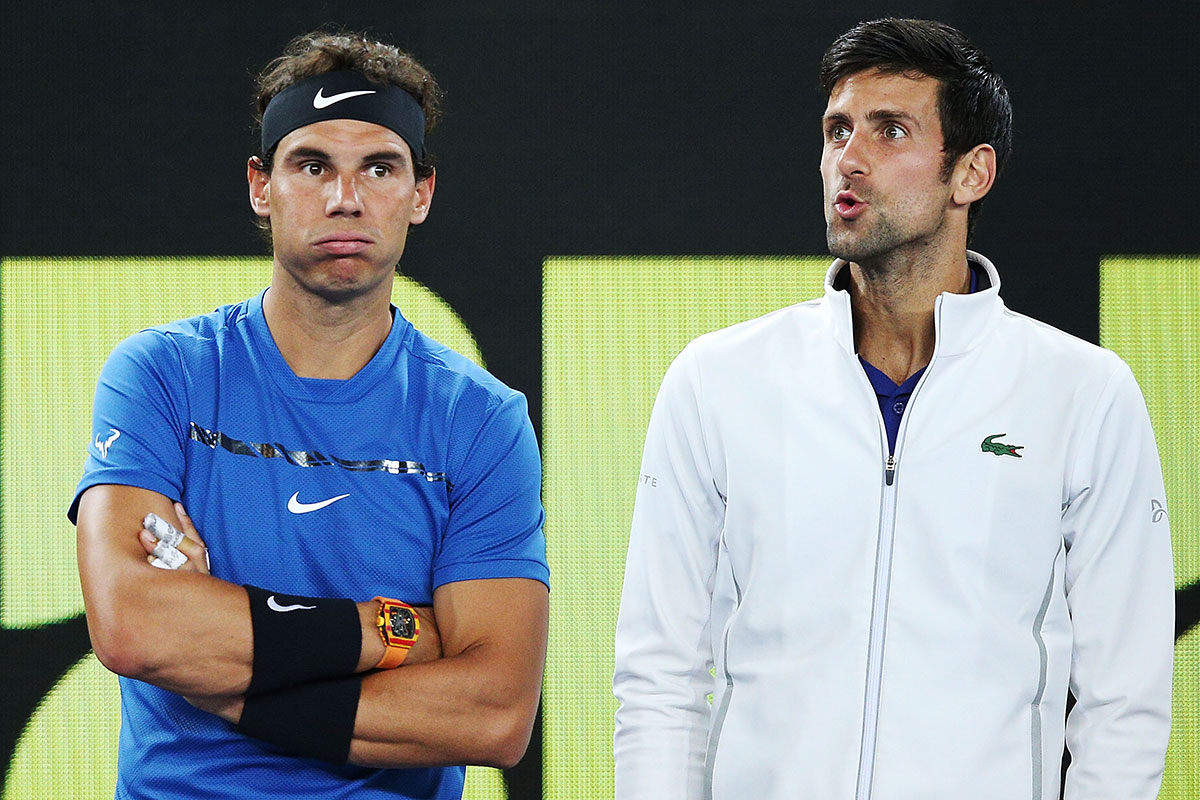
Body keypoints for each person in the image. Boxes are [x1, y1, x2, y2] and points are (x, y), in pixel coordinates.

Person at [613, 18, 1173, 800]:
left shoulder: (1084, 393)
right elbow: (659, 676)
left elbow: (1125, 705)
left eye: (891, 130)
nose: (849, 157)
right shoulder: (717, 379)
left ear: (970, 174)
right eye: (837, 129)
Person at [72, 31, 550, 800]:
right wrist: (397, 629)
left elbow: (493, 714)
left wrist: (225, 682)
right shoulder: (162, 373)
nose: (344, 198)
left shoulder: (482, 419)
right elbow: (132, 626)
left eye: (380, 168)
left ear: (420, 194)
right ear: (262, 186)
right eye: (312, 165)